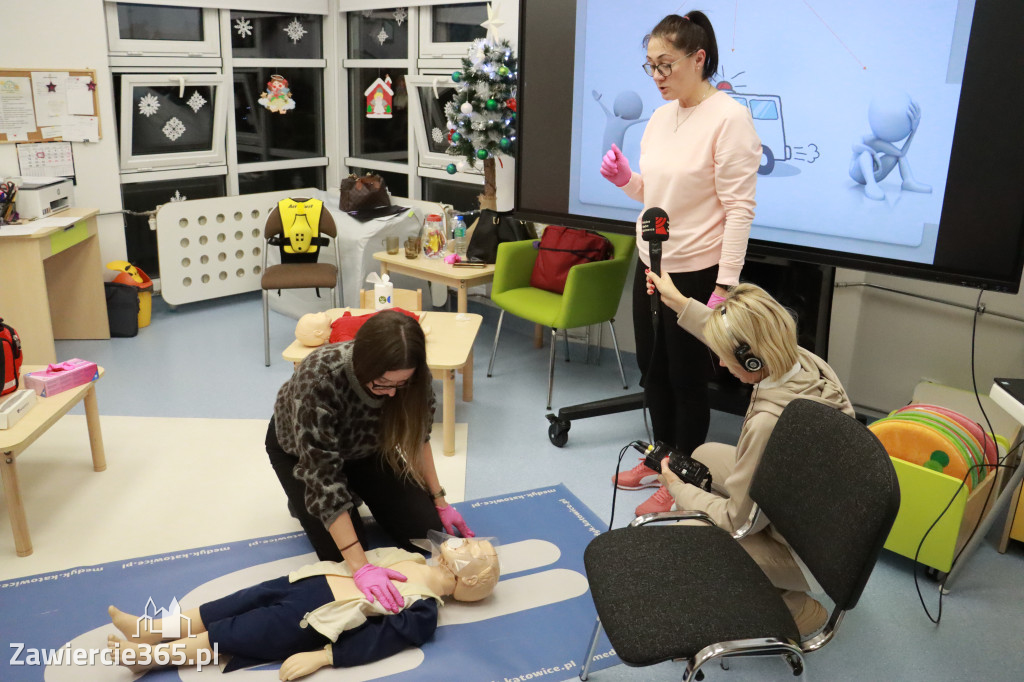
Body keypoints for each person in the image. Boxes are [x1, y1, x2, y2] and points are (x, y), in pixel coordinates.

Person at [600, 11, 762, 516]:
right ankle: (660, 458)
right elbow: (657, 194)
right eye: (650, 66)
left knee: (687, 379)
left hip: (697, 272)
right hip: (653, 261)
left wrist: (725, 286)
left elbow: (739, 208)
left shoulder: (730, 118)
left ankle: (683, 477)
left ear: (699, 58)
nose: (657, 77)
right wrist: (628, 180)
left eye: (666, 64)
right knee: (652, 369)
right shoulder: (660, 117)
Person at [645, 274, 853, 637]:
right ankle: (748, 577)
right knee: (706, 454)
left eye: (725, 358)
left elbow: (738, 521)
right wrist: (677, 300)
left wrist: (677, 489)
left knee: (694, 529)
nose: (722, 365)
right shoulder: (801, 360)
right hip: (823, 516)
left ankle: (797, 608)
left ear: (752, 362)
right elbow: (731, 331)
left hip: (812, 554)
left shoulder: (771, 424)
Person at [266, 310, 473, 615]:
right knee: (345, 556)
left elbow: (418, 437)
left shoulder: (412, 374)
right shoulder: (320, 375)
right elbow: (323, 478)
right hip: (302, 454)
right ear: (363, 364)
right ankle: (301, 501)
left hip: (368, 450)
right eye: (382, 384)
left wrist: (439, 499)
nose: (391, 393)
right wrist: (360, 566)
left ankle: (354, 491)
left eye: (400, 385)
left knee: (425, 532)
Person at [105, 536, 500, 678]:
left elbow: (381, 640)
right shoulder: (410, 558)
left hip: (312, 619)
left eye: (471, 551)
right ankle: (150, 629)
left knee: (233, 633)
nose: (462, 545)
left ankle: (151, 657)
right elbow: (362, 559)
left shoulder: (424, 611)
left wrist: (325, 656)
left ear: (471, 580)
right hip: (305, 583)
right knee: (226, 606)